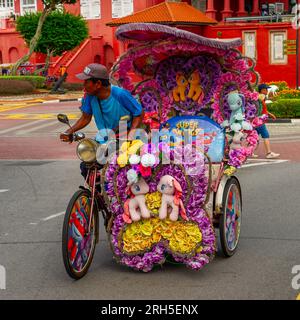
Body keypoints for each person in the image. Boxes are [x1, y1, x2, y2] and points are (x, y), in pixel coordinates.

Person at [60, 63, 143, 178]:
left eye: (86, 81)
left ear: (98, 84)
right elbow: (85, 117)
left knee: (117, 168)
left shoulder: (120, 94)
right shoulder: (89, 96)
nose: (83, 85)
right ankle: (96, 194)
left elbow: (138, 113)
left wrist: (133, 132)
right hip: (104, 139)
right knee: (86, 166)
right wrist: (70, 131)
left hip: (123, 138)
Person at [253, 83, 280, 159]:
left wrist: (270, 114)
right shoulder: (259, 98)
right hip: (259, 121)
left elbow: (263, 109)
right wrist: (259, 118)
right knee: (266, 135)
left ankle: (249, 152)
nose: (267, 91)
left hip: (258, 120)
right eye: (266, 89)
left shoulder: (262, 98)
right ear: (262, 90)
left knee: (254, 137)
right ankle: (269, 153)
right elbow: (258, 110)